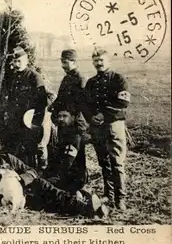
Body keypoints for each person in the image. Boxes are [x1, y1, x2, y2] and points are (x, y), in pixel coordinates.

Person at [0, 135, 108, 218]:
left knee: (44, 185)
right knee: (51, 204)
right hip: (19, 200)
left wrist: (21, 180)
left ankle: (87, 205)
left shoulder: (8, 159)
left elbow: (32, 171)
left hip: (28, 187)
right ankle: (86, 207)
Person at [83, 47, 130, 211]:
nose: (98, 63)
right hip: (97, 128)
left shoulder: (118, 79)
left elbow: (123, 103)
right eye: (95, 60)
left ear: (108, 61)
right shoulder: (91, 82)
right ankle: (108, 195)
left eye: (101, 60)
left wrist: (103, 115)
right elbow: (85, 105)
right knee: (104, 162)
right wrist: (91, 118)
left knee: (117, 163)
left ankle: (120, 199)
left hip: (113, 126)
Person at [0, 46, 48, 169]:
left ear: (26, 61)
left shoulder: (34, 77)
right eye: (15, 61)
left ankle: (33, 174)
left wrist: (36, 123)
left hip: (29, 121)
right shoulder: (15, 78)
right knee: (18, 148)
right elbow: (11, 99)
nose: (16, 64)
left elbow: (42, 102)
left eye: (19, 61)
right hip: (16, 120)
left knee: (30, 150)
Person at [45, 105, 88, 193]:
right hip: (65, 175)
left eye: (65, 116)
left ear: (72, 118)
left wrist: (52, 178)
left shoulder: (74, 136)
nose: (61, 119)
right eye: (59, 116)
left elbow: (67, 164)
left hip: (73, 178)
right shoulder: (64, 133)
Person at [49, 49, 87, 127]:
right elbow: (61, 98)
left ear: (74, 62)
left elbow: (82, 103)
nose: (63, 66)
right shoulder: (66, 78)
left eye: (65, 62)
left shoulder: (80, 79)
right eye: (62, 63)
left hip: (75, 125)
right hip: (63, 123)